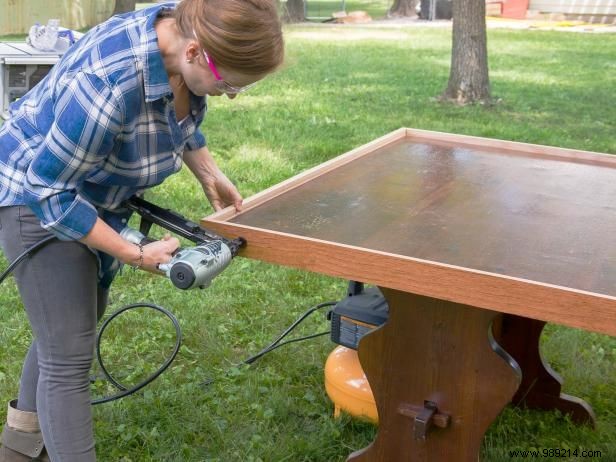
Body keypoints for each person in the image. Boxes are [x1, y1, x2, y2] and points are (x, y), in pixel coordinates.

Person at [0, 0, 284, 460]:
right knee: (68, 359)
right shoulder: (110, 83)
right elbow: (49, 192)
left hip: (91, 190)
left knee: (68, 325)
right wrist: (135, 253)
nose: (230, 94)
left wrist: (207, 170)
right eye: (229, 83)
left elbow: (174, 112)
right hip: (37, 194)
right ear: (195, 52)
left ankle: (17, 448)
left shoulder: (186, 24)